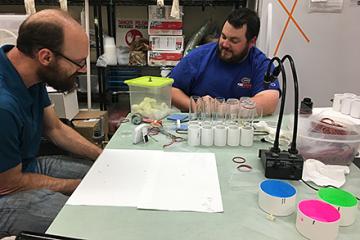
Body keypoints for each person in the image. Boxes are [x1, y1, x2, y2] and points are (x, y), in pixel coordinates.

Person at [0, 9, 102, 237]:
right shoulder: (3, 105)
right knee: (87, 219)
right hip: (6, 188)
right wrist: (77, 187)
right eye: (78, 62)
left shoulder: (28, 74)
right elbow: (9, 184)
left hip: (23, 167)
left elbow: (55, 128)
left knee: (102, 175)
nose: (82, 70)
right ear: (45, 57)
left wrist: (102, 156)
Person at [170, 8, 280, 116]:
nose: (225, 44)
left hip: (240, 128)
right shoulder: (199, 56)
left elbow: (270, 100)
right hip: (201, 126)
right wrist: (195, 106)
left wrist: (226, 108)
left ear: (252, 42)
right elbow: (170, 89)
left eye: (234, 40)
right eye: (223, 36)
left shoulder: (259, 63)